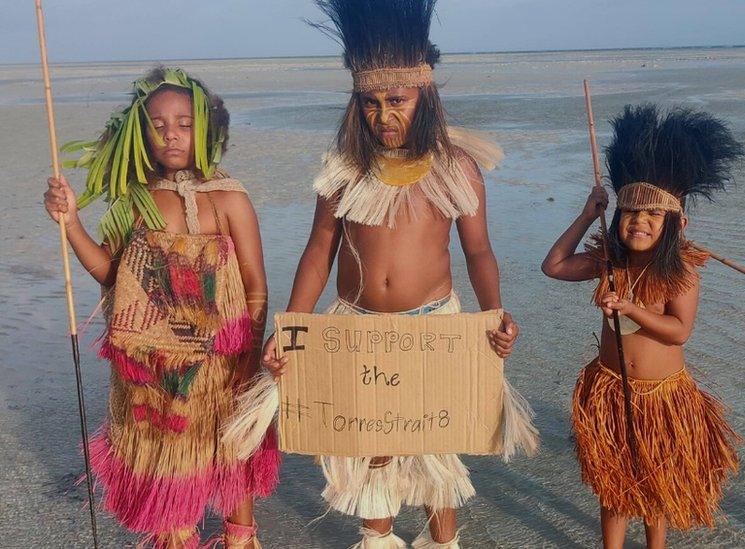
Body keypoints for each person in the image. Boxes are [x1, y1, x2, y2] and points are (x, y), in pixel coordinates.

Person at [257, 1, 532, 547]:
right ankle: (378, 540)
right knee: (367, 449)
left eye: (398, 101)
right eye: (371, 103)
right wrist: (292, 329)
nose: (384, 116)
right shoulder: (344, 171)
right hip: (354, 330)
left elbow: (478, 252)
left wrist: (494, 314)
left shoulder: (457, 167)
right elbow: (319, 252)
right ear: (356, 103)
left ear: (424, 96)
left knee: (433, 450)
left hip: (433, 329)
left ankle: (442, 544)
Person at [43, 66, 278, 548]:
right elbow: (113, 275)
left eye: (185, 123)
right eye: (158, 124)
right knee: (169, 455)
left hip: (222, 363)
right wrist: (71, 223)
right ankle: (176, 535)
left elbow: (256, 286)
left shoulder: (229, 198)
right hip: (152, 371)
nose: (172, 134)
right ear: (140, 133)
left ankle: (240, 538)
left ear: (208, 128)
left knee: (231, 448)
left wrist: (250, 361)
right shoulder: (133, 202)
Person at [542, 104, 743, 548]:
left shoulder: (680, 273)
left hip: (663, 397)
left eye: (653, 215)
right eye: (630, 212)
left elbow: (678, 331)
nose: (639, 221)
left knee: (654, 488)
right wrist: (584, 213)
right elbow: (553, 267)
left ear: (674, 223)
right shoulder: (608, 262)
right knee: (613, 487)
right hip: (610, 389)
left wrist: (633, 309)